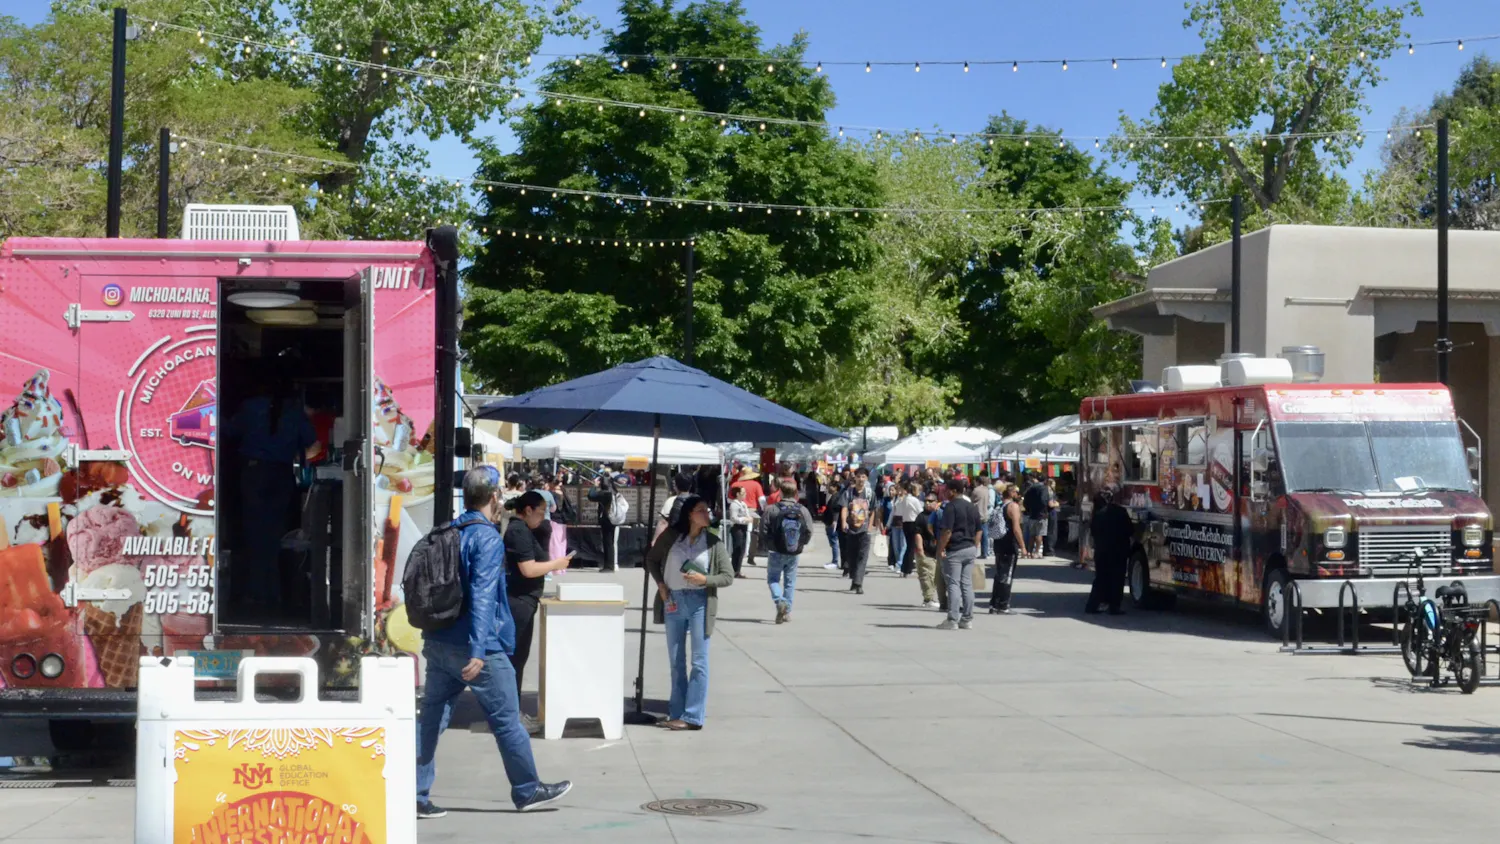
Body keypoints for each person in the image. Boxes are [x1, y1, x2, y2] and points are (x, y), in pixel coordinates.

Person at [416, 467, 572, 818]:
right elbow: (483, 595)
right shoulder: (485, 538)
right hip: (478, 645)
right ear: (493, 497)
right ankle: (528, 789)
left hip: (439, 640)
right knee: (506, 719)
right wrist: (477, 650)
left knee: (431, 719)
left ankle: (414, 792)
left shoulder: (449, 531)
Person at [223, 364, 318, 615]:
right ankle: (273, 593)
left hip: (254, 474)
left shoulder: (250, 407)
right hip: (282, 476)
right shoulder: (295, 410)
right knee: (274, 535)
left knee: (254, 535)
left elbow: (229, 431)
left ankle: (256, 594)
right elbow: (312, 444)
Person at [645, 495, 734, 730]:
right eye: (701, 510)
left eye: (707, 510)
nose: (707, 514)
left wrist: (705, 579)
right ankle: (677, 713)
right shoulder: (672, 537)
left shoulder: (713, 542)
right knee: (676, 661)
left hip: (700, 603)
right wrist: (660, 584)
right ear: (690, 515)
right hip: (673, 600)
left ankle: (693, 716)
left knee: (699, 661)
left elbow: (728, 576)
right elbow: (652, 559)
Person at [500, 491, 574, 733]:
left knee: (518, 659)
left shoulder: (525, 529)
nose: (543, 517)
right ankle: (510, 715)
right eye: (541, 511)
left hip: (525, 601)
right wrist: (556, 564)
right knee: (514, 660)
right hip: (518, 602)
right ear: (528, 510)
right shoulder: (518, 531)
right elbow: (529, 569)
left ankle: (512, 712)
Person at [761, 477, 813, 624]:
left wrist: (768, 544)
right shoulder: (802, 510)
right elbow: (809, 530)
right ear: (796, 493)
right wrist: (801, 543)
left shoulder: (772, 509)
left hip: (775, 550)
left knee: (773, 579)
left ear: (780, 492)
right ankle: (787, 612)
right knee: (790, 582)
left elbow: (763, 529)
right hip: (794, 551)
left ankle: (779, 600)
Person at [934, 475, 981, 630]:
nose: (945, 492)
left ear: (953, 491)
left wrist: (940, 548)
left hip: (955, 548)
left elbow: (947, 531)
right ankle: (967, 619)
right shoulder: (972, 506)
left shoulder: (951, 507)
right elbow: (979, 530)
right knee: (967, 584)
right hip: (970, 547)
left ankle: (952, 619)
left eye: (947, 490)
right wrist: (974, 545)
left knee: (953, 584)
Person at [1086, 486, 1133, 615]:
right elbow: (1130, 530)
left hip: (1101, 551)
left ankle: (1092, 605)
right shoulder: (1120, 511)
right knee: (1117, 579)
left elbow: (1093, 533)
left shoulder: (1096, 515)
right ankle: (1114, 606)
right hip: (1118, 550)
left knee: (1100, 578)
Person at [989, 484, 1027, 614]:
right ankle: (1003, 605)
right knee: (1007, 575)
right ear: (1011, 493)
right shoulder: (1013, 506)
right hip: (1009, 544)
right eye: (1017, 491)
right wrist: (1023, 546)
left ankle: (994, 604)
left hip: (999, 542)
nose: (1018, 494)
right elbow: (1016, 528)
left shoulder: (999, 505)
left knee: (999, 573)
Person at [835, 472, 873, 595]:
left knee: (863, 556)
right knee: (852, 556)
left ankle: (858, 583)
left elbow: (873, 510)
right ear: (855, 478)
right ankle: (854, 578)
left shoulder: (870, 493)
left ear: (866, 478)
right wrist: (843, 522)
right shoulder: (848, 493)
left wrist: (870, 526)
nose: (861, 479)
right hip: (851, 529)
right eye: (858, 477)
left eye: (863, 477)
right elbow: (844, 508)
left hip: (864, 529)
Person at [911, 490, 943, 608]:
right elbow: (917, 533)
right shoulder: (921, 517)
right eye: (926, 501)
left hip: (937, 551)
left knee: (935, 577)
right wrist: (920, 549)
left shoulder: (940, 514)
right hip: (925, 551)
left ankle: (934, 598)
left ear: (936, 502)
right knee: (926, 576)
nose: (927, 503)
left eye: (930, 501)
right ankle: (928, 599)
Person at [586, 473, 620, 572]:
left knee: (607, 543)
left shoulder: (604, 493)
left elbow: (591, 496)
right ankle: (610, 565)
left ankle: (608, 566)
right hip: (614, 519)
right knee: (610, 543)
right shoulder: (614, 492)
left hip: (606, 520)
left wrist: (594, 486)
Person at [892, 482, 922, 577]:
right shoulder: (914, 500)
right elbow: (920, 512)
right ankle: (907, 569)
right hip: (913, 523)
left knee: (909, 546)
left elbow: (899, 512)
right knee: (911, 547)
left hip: (905, 523)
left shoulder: (903, 499)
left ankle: (905, 568)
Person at [727, 485, 754, 579]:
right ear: (738, 494)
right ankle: (734, 570)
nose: (745, 494)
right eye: (743, 493)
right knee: (737, 549)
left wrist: (748, 518)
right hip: (737, 528)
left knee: (742, 549)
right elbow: (734, 518)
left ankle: (737, 569)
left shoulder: (743, 504)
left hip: (744, 527)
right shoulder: (734, 505)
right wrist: (745, 519)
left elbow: (746, 514)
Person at [657, 473, 695, 538]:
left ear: (675, 486)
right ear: (690, 485)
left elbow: (663, 523)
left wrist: (655, 540)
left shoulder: (670, 501)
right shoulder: (697, 500)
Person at [1022, 473, 1049, 558]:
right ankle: (1037, 552)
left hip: (1032, 514)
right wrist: (1044, 509)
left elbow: (1025, 501)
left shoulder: (1031, 488)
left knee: (1032, 534)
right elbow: (1044, 500)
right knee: (1039, 533)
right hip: (1041, 514)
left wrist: (1028, 509)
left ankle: (1029, 552)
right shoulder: (1044, 488)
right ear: (1044, 480)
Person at [885, 481, 908, 575]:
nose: (899, 491)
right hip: (895, 523)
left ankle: (900, 563)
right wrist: (888, 524)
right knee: (895, 545)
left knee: (903, 545)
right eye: (898, 489)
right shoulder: (896, 499)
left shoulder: (908, 498)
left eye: (900, 489)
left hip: (905, 523)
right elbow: (892, 512)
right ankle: (898, 561)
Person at [821, 476, 843, 571]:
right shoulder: (833, 496)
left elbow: (836, 511)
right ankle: (835, 561)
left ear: (835, 487)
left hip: (832, 523)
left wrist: (834, 521)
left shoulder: (836, 497)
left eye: (830, 486)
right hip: (829, 522)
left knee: (834, 543)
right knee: (833, 542)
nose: (828, 487)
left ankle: (835, 561)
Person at [973, 471, 995, 560]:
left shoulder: (976, 490)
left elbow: (972, 500)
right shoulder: (987, 489)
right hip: (985, 514)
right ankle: (985, 552)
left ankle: (973, 551)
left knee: (976, 533)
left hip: (977, 514)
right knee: (985, 535)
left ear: (977, 481)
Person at [1044, 477, 1062, 557]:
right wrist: (1057, 504)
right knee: (1052, 531)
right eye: (1054, 484)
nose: (1055, 486)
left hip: (1047, 513)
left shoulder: (1044, 491)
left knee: (1047, 531)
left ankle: (1046, 549)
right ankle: (1050, 550)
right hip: (1051, 513)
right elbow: (1051, 504)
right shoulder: (1050, 492)